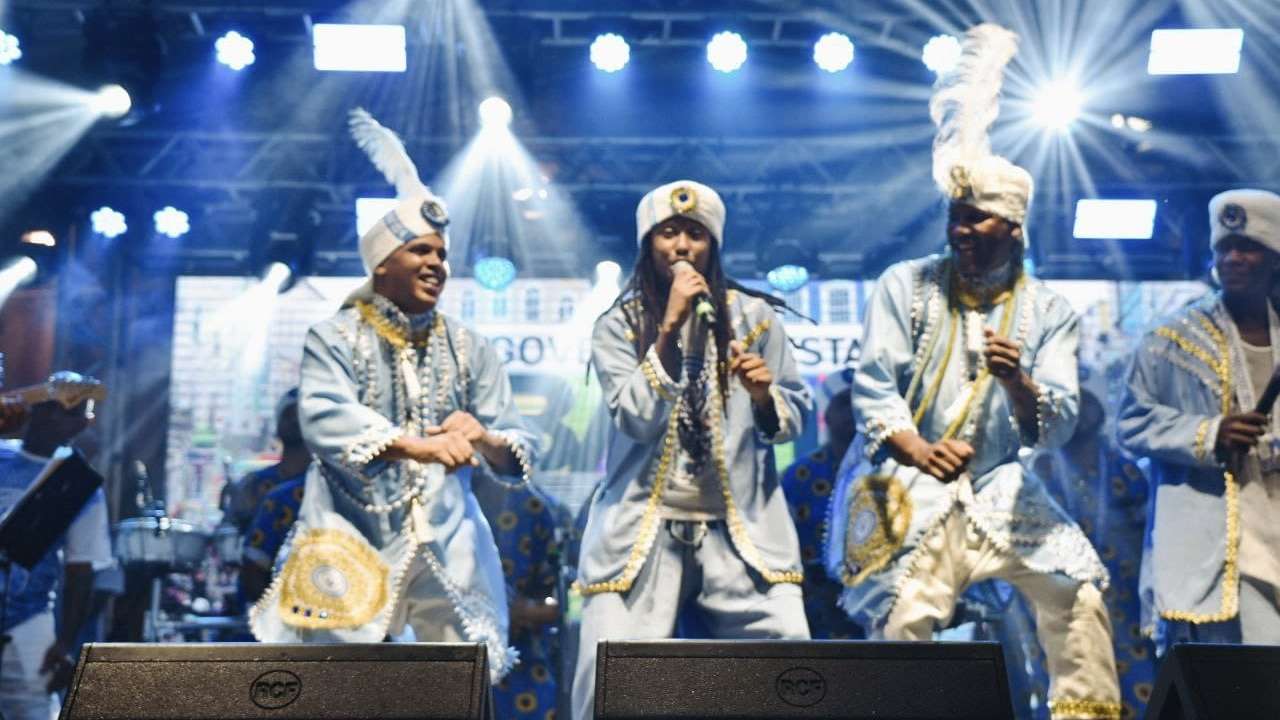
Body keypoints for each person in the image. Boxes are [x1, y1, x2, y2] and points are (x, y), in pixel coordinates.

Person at [823, 25, 1120, 720]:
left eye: (976, 219)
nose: (959, 229)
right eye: (955, 216)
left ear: (1013, 228)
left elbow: (1062, 419)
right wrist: (920, 449)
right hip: (907, 484)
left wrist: (1020, 383)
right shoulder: (907, 284)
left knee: (1076, 595)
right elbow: (872, 387)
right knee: (905, 617)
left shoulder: (1047, 311)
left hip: (1002, 489)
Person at [250, 109, 536, 682]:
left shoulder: (469, 346)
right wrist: (418, 447)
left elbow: (518, 443)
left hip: (449, 537)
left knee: (458, 681)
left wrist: (484, 437)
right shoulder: (333, 335)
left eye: (441, 255)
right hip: (347, 532)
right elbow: (326, 418)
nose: (437, 264)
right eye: (420, 252)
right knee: (337, 684)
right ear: (382, 264)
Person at [573, 180, 813, 720]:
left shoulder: (755, 319)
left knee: (791, 661)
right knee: (605, 673)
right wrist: (668, 330)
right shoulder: (619, 325)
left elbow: (794, 415)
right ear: (647, 244)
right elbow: (634, 417)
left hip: (742, 534)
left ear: (713, 246)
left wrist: (763, 396)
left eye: (695, 234)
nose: (682, 246)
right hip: (640, 532)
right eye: (668, 232)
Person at [1118, 188, 1280, 650]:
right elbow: (1129, 422)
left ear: (1274, 260)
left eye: (1248, 248)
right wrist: (1209, 433)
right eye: (1224, 248)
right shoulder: (1170, 340)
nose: (1234, 259)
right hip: (1215, 532)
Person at [0, 372, 112, 720]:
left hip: (28, 621)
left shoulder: (78, 484)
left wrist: (65, 644)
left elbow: (81, 570)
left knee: (31, 711)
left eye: (76, 414)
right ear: (37, 408)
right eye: (54, 408)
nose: (60, 419)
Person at [780, 376, 864, 639]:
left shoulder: (885, 473)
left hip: (869, 600)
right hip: (812, 607)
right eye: (843, 403)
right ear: (826, 411)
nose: (852, 412)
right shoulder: (798, 476)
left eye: (858, 403)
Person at [237, 389, 310, 603]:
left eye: (300, 414)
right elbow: (231, 538)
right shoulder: (254, 484)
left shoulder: (325, 486)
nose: (293, 420)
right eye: (287, 414)